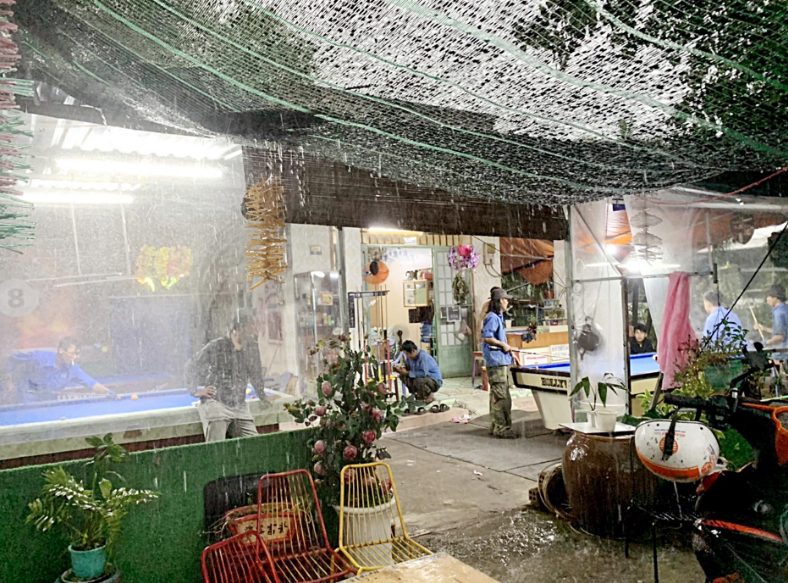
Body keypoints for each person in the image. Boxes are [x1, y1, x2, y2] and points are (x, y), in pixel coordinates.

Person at [185, 313, 268, 442]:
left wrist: (262, 395)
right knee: (216, 447)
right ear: (241, 328)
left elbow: (255, 373)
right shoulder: (218, 346)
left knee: (254, 444)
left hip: (239, 406)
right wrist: (195, 390)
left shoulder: (251, 348)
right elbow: (192, 365)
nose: (255, 331)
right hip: (216, 404)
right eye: (252, 327)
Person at [7, 337, 116, 402]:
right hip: (26, 399)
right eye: (72, 353)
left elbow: (91, 383)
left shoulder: (73, 369)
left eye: (77, 354)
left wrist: (108, 392)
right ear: (61, 351)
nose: (75, 357)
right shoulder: (38, 357)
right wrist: (9, 381)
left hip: (48, 401)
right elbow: (12, 359)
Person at [482, 287, 516, 439]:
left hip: (500, 360)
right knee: (502, 397)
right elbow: (487, 337)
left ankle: (495, 426)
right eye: (506, 300)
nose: (507, 302)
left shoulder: (498, 317)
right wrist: (503, 345)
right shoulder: (492, 318)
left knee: (497, 395)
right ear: (501, 301)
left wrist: (509, 351)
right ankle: (502, 428)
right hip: (496, 362)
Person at [757, 285, 788, 361]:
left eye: (768, 297)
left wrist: (765, 343)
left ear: (775, 297)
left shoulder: (778, 313)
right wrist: (764, 329)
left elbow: (780, 337)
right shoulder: (785, 308)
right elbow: (783, 331)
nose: (767, 300)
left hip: (782, 353)